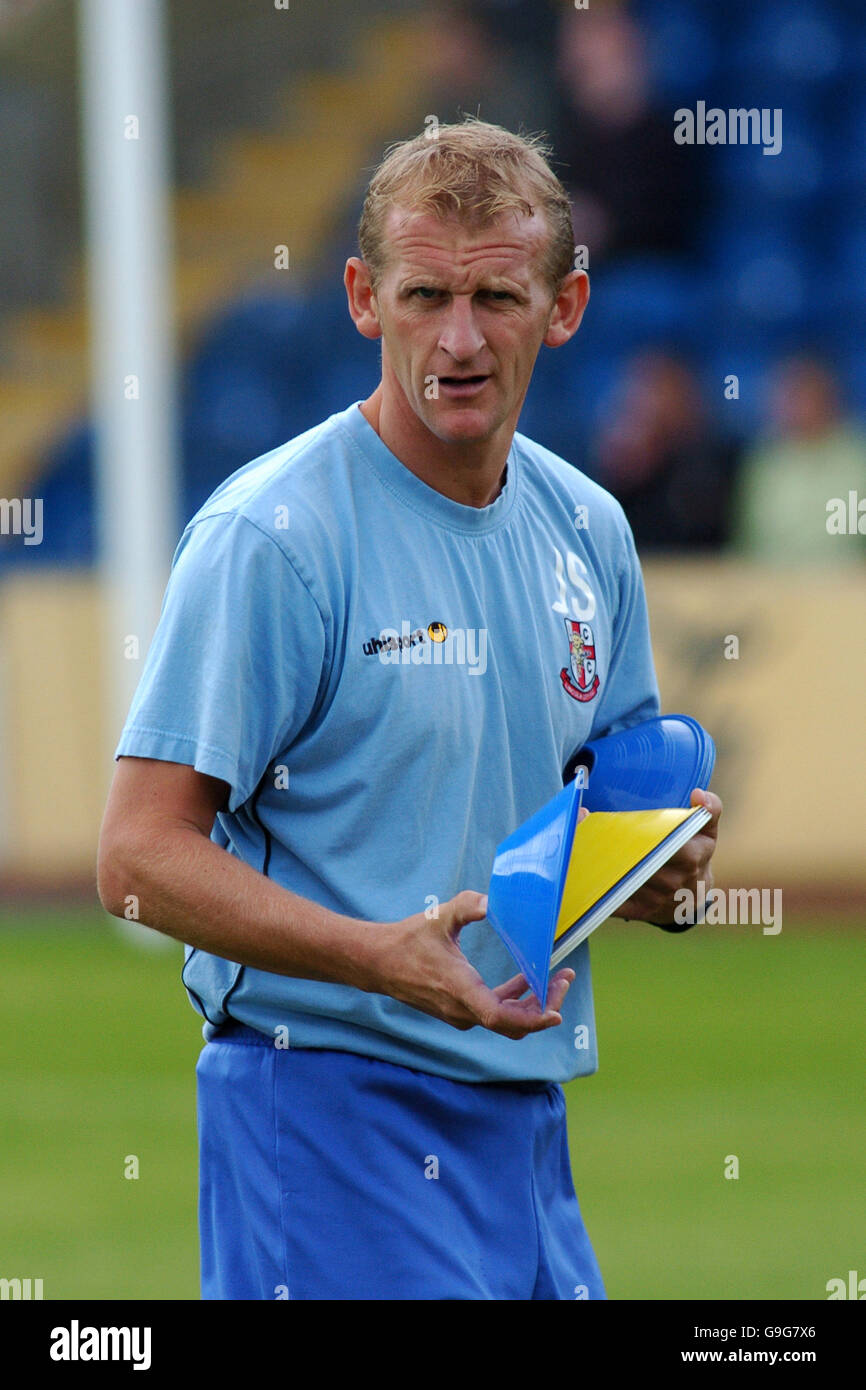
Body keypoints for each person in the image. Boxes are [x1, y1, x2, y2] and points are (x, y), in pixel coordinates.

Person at [97, 120, 721, 1301]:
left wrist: (653, 876)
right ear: (361, 298)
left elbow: (599, 818)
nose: (457, 337)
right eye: (424, 292)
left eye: (496, 297)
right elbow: (134, 857)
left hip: (524, 1123)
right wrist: (375, 958)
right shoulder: (272, 538)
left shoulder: (588, 528)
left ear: (566, 303)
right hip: (324, 1112)